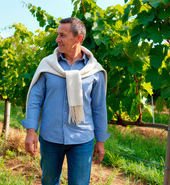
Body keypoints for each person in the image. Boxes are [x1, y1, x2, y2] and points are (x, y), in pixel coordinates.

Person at [21, 17, 110, 185]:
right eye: (57, 35)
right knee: (48, 181)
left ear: (79, 39)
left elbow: (99, 107)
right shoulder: (48, 65)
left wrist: (100, 141)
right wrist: (31, 131)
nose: (57, 40)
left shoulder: (94, 71)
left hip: (82, 139)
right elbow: (35, 100)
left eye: (62, 35)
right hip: (50, 137)